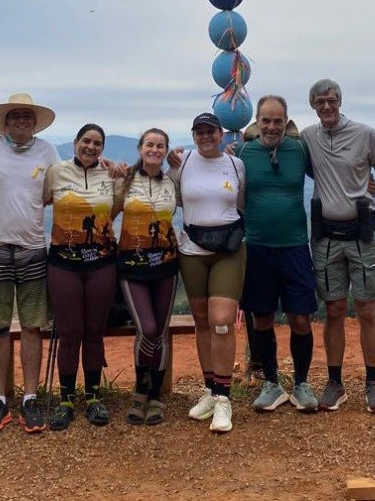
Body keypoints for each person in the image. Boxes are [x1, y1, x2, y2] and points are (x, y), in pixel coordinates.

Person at [0, 93, 60, 434]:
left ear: (35, 122)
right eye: (16, 116)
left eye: (27, 116)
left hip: (33, 246)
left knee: (33, 325)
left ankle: (30, 398)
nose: (22, 120)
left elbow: (60, 185)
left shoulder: (47, 151)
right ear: (5, 122)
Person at [303, 79, 375, 413]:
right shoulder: (308, 137)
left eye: (331, 100)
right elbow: (277, 141)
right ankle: (334, 383)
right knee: (334, 309)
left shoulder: (365, 134)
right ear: (313, 106)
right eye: (320, 102)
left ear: (340, 101)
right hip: (327, 236)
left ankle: (373, 382)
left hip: (364, 234)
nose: (326, 107)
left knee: (367, 308)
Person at [228, 96, 321, 413]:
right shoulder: (242, 153)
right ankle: (271, 382)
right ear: (257, 121)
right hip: (257, 247)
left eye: (277, 121)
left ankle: (302, 384)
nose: (271, 126)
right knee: (262, 317)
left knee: (300, 318)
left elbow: (332, 174)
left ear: (286, 122)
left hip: (294, 246)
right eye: (265, 120)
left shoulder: (299, 150)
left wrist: (367, 185)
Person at [168, 113, 246, 433]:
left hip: (229, 250)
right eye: (199, 132)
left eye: (210, 131)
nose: (205, 136)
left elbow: (242, 203)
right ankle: (211, 390)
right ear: (193, 135)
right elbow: (170, 199)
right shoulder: (182, 163)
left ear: (221, 133)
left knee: (222, 320)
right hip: (191, 251)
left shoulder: (236, 165)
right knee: (202, 322)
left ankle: (224, 398)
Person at [43, 123, 123, 431]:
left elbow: (114, 212)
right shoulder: (56, 172)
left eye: (97, 143)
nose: (91, 147)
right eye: (86, 141)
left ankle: (92, 397)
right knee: (70, 332)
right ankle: (66, 399)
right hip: (63, 262)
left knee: (93, 331)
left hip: (101, 262)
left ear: (103, 148)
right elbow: (37, 200)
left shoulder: (111, 175)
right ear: (75, 142)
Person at [116, 128, 179, 426]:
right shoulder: (124, 180)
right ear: (140, 149)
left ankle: (154, 394)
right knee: (148, 329)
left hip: (166, 265)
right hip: (132, 265)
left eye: (160, 146)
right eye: (150, 145)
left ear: (166, 151)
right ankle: (140, 388)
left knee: (160, 331)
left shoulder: (172, 181)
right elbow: (107, 214)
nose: (155, 150)